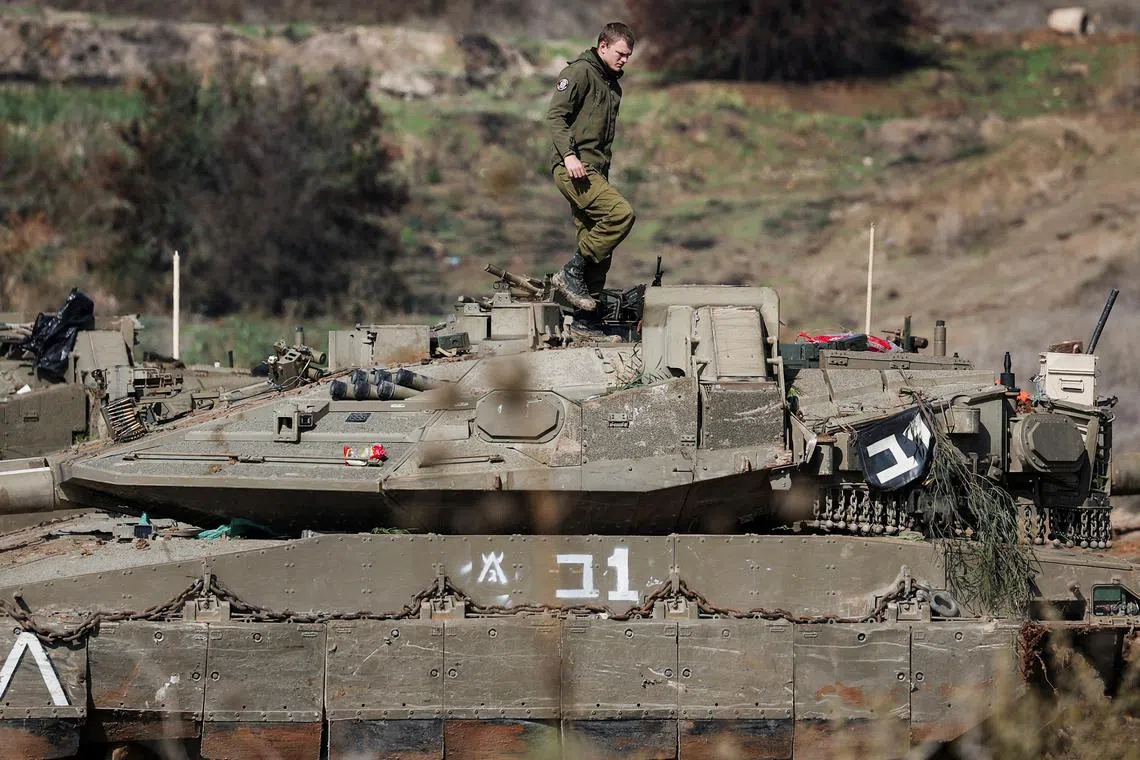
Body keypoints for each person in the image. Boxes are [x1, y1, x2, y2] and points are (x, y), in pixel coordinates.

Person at [545, 22, 636, 312]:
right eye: (620, 53)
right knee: (621, 214)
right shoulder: (580, 72)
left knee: (598, 245)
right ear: (603, 46)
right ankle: (570, 272)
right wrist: (569, 156)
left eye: (628, 56)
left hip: (595, 171)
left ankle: (586, 317)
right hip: (573, 168)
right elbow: (556, 117)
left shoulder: (612, 85)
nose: (624, 60)